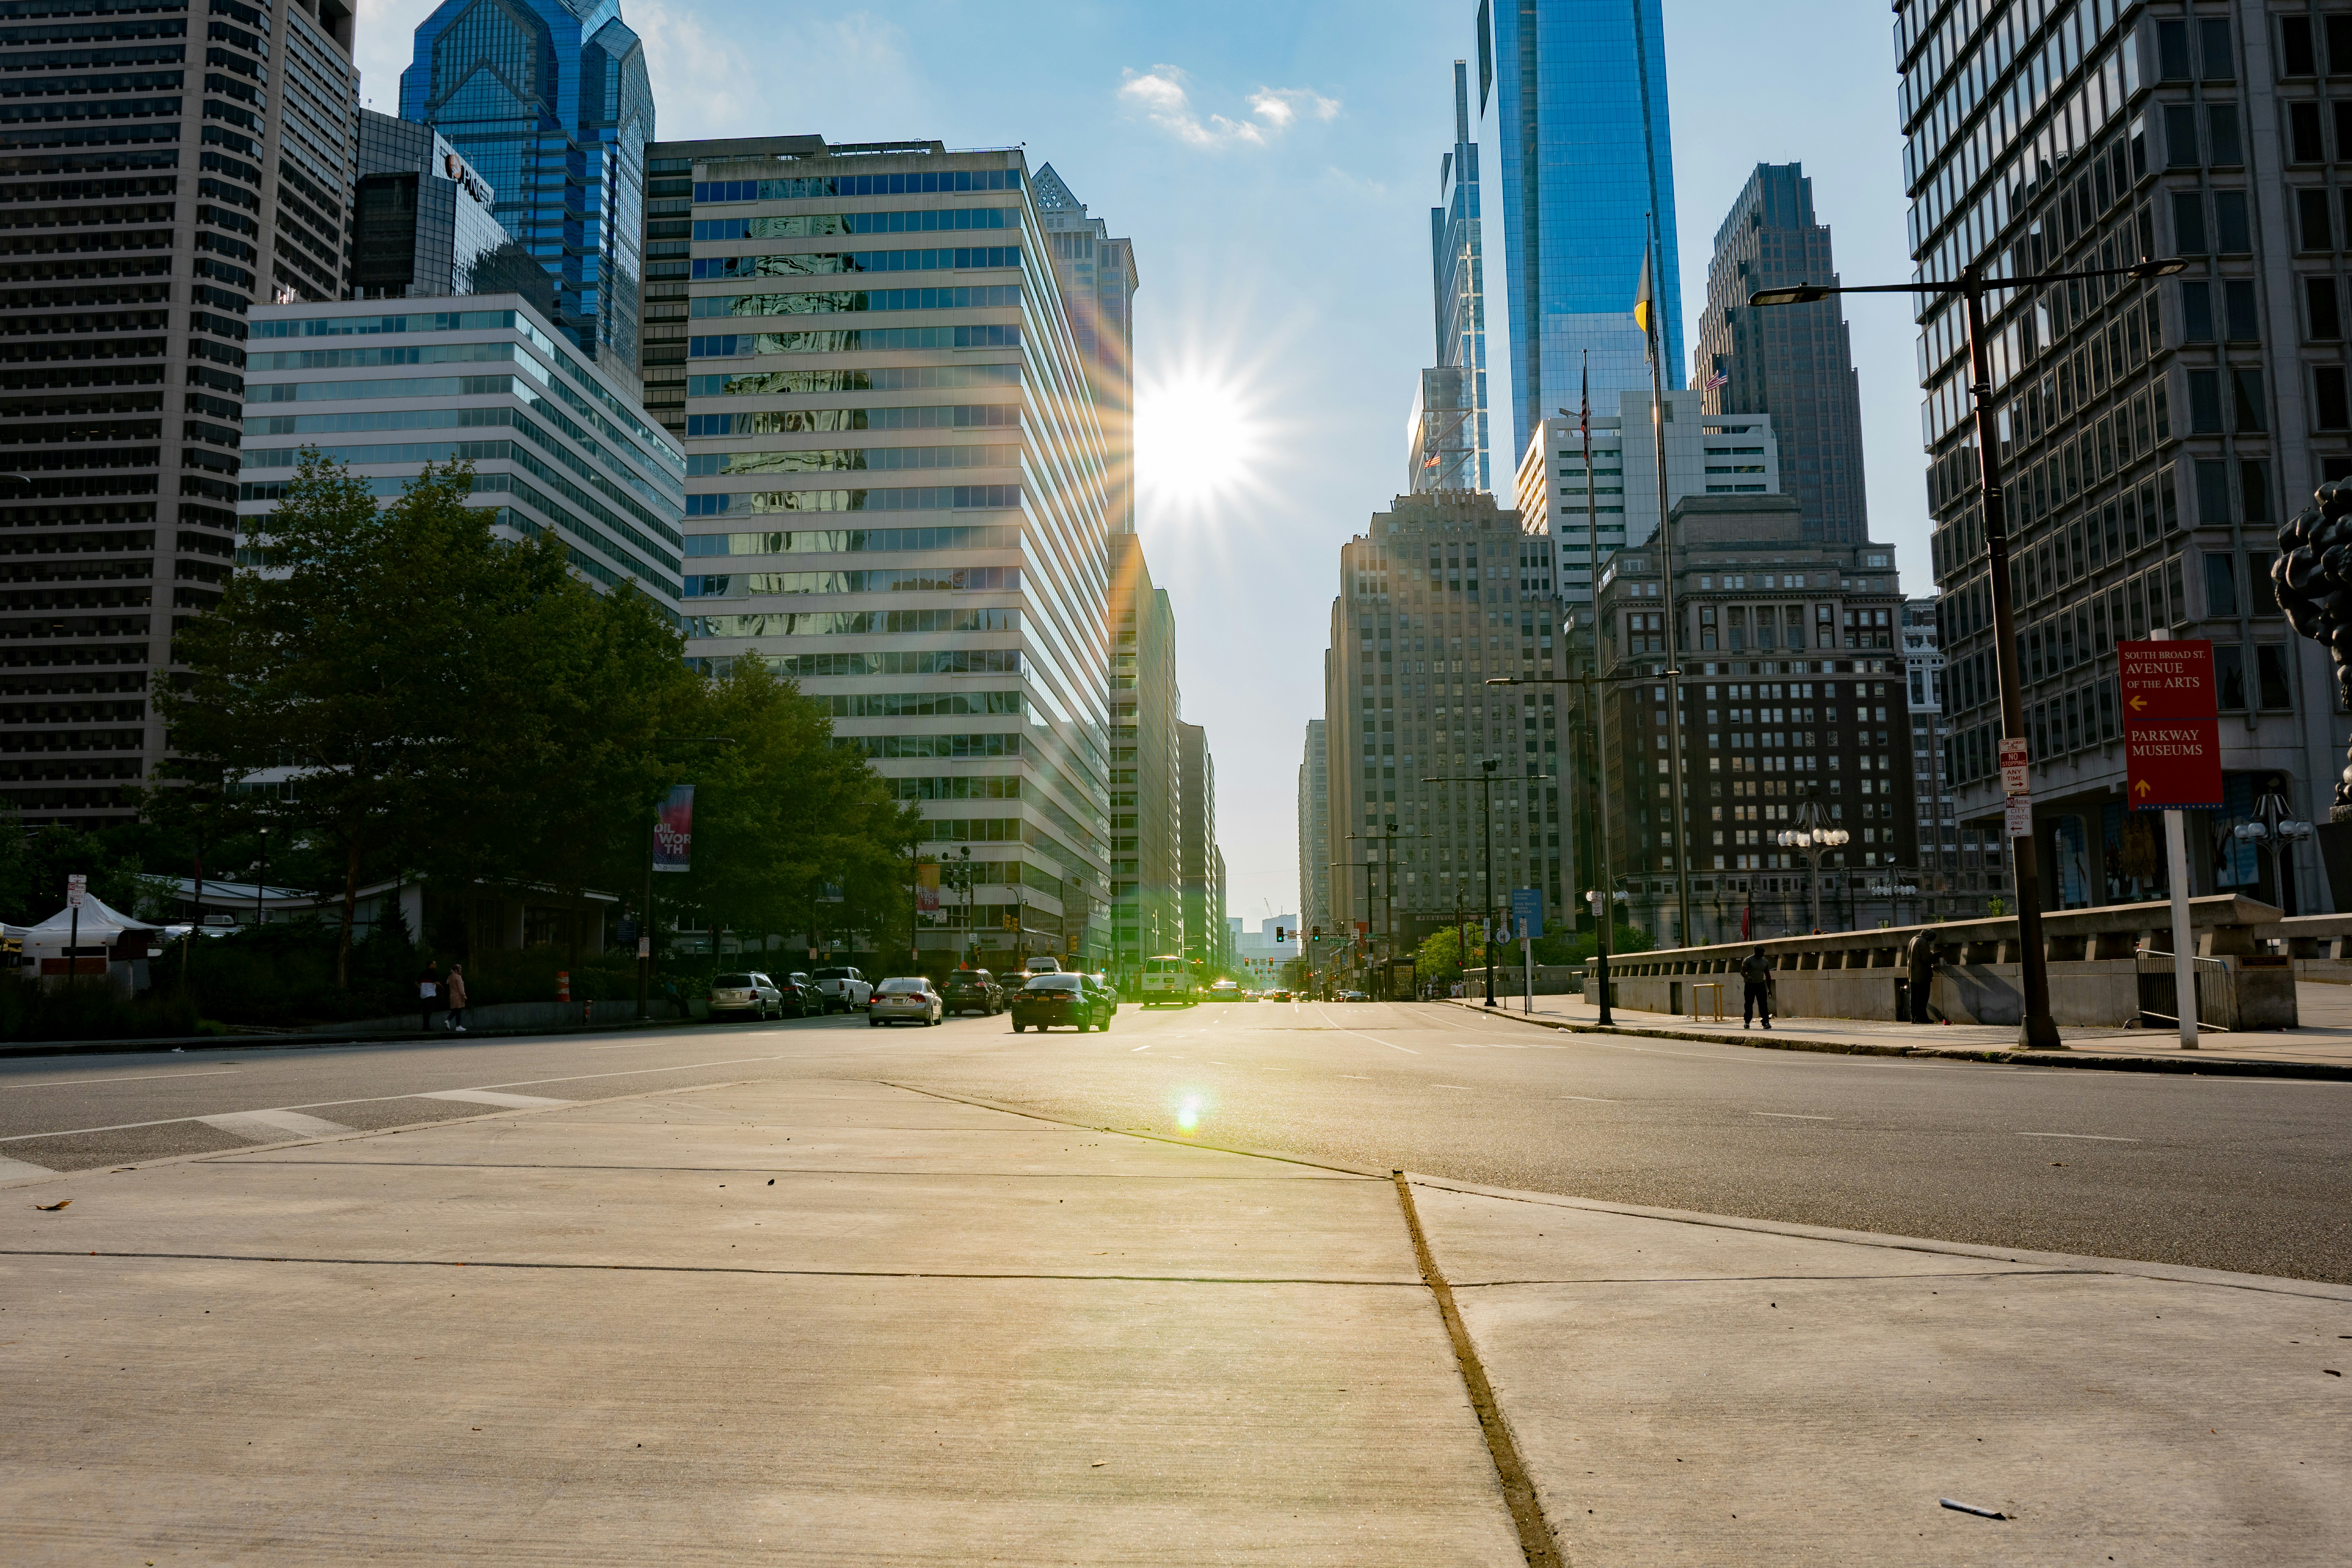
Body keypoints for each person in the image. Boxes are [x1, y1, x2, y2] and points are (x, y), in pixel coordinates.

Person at [1740, 944, 1775, 1030]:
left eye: (1763, 951)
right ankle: (1747, 1022)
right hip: (1750, 985)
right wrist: (1748, 977)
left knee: (1763, 1004)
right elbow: (1742, 971)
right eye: (1761, 951)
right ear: (1756, 951)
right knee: (1749, 1004)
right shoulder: (1749, 960)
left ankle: (1766, 1022)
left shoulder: (1765, 962)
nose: (1763, 953)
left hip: (1760, 984)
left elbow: (1768, 976)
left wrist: (1769, 990)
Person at [444, 963, 469, 1033]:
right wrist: (464, 995)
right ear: (457, 969)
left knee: (455, 1011)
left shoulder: (450, 977)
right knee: (459, 1011)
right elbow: (460, 988)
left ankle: (448, 1021)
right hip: (458, 996)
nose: (461, 970)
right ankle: (458, 1026)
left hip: (452, 996)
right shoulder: (458, 977)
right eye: (460, 969)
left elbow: (448, 984)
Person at [417, 962, 441, 1032]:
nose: (436, 965)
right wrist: (442, 988)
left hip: (423, 995)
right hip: (431, 994)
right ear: (431, 965)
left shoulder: (422, 973)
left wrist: (421, 989)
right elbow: (437, 983)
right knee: (429, 1011)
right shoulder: (433, 973)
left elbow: (416, 982)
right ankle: (427, 1027)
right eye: (435, 964)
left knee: (425, 1011)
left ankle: (425, 1026)